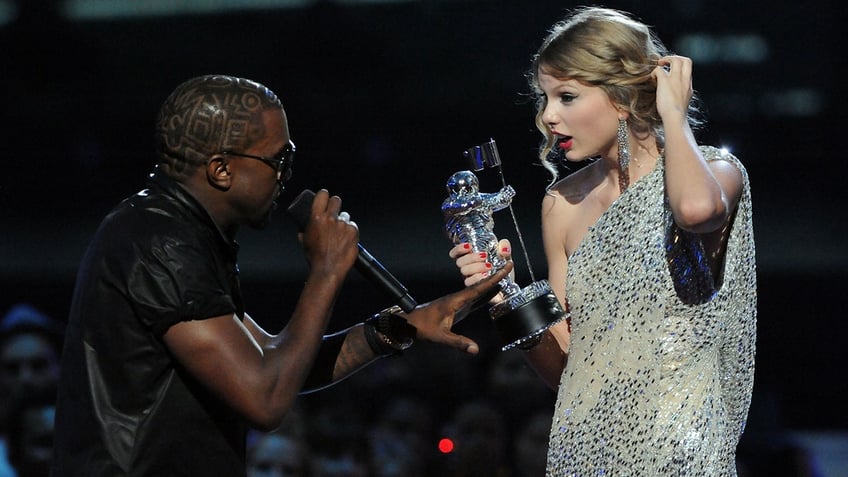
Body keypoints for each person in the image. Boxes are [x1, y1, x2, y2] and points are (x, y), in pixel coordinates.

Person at [51, 74, 512, 476]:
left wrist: (400, 327)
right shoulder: (160, 241)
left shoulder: (177, 233)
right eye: (278, 161)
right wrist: (327, 269)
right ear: (221, 169)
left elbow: (274, 360)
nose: (286, 178)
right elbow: (265, 397)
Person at [449, 7, 756, 476]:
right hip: (584, 453)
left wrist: (672, 113)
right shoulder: (562, 204)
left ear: (621, 95)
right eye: (545, 98)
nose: (548, 116)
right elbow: (567, 371)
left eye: (567, 96)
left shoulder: (719, 174)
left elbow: (693, 211)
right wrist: (502, 295)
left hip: (683, 457)